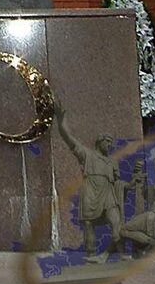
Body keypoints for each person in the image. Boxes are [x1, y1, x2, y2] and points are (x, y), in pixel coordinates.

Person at [54, 109, 128, 262]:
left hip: (107, 193)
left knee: (116, 222)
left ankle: (122, 254)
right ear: (99, 142)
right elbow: (69, 138)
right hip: (90, 192)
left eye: (110, 142)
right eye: (106, 141)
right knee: (89, 225)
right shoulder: (87, 154)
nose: (109, 145)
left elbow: (117, 182)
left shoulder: (112, 162)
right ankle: (91, 255)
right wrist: (61, 121)